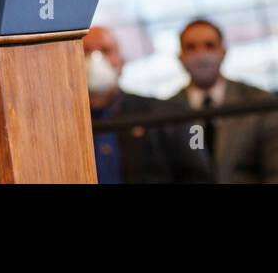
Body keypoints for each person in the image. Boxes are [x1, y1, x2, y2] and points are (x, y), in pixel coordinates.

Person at [164, 18, 278, 182]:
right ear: (180, 56)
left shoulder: (258, 102)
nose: (201, 55)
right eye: (191, 47)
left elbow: (276, 173)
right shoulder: (167, 113)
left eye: (209, 45)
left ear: (223, 51)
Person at [84, 26, 212, 184]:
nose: (96, 59)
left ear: (122, 61)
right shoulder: (64, 127)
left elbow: (198, 174)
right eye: (86, 51)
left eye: (106, 50)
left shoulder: (164, 117)